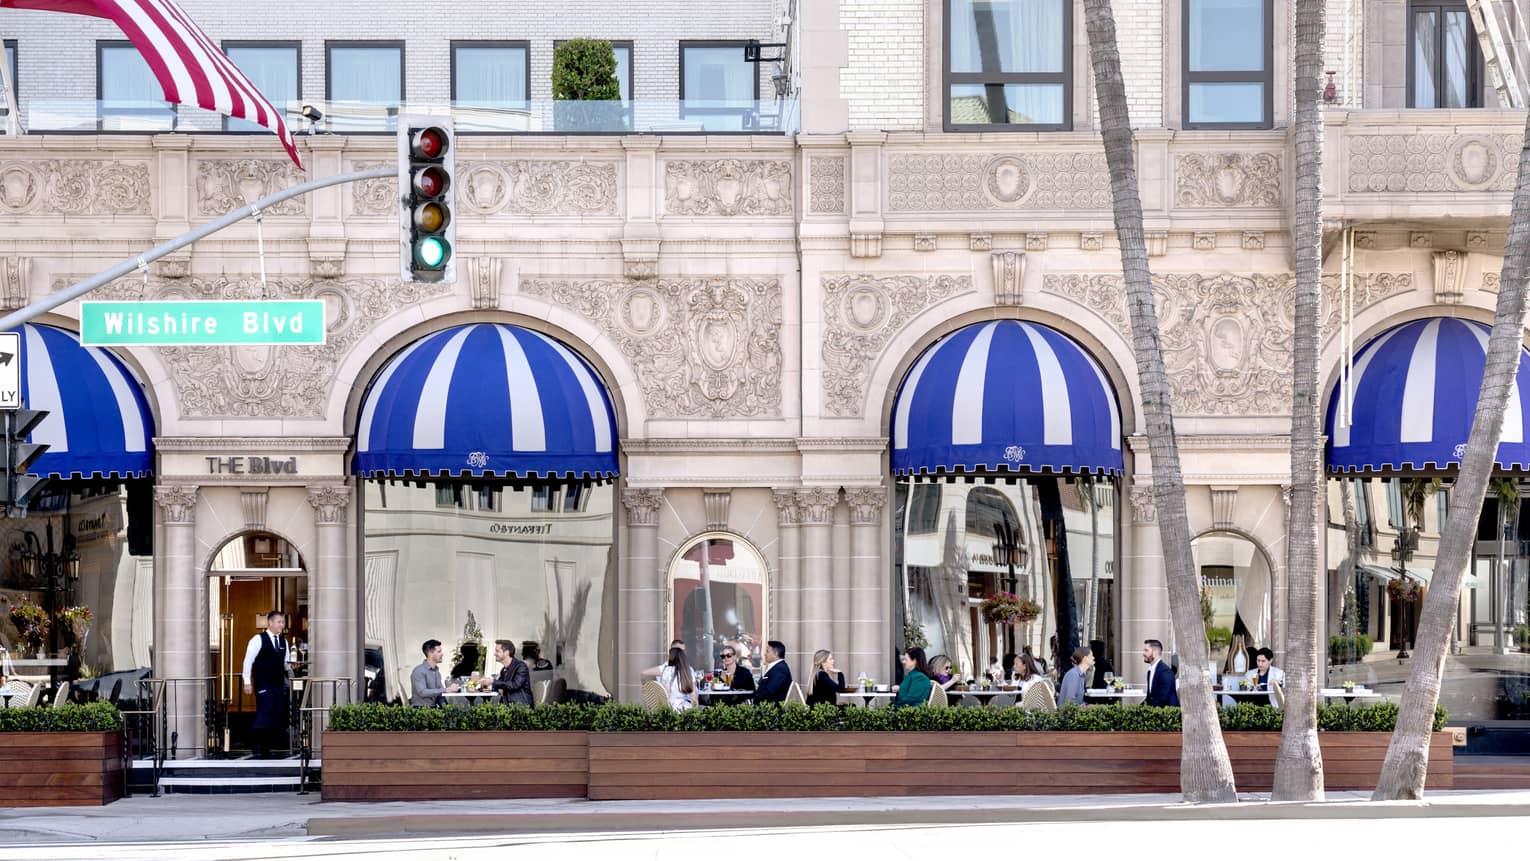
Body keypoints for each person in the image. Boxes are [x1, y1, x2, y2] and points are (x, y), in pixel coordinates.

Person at [241, 610, 297, 758]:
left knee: (276, 713)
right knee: (266, 710)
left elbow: (285, 664)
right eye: (279, 622)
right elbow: (248, 661)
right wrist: (247, 681)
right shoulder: (258, 639)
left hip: (278, 684)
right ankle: (256, 745)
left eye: (283, 622)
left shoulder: (284, 642)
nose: (282, 625)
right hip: (263, 683)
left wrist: (292, 667)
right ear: (270, 622)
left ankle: (266, 747)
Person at [410, 638, 461, 707]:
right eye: (439, 651)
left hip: (433, 708)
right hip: (421, 710)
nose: (442, 654)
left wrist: (448, 709)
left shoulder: (436, 671)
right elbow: (422, 692)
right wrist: (446, 690)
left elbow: (440, 695)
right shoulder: (418, 671)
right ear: (430, 654)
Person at [488, 639, 533, 706]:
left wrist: (493, 681)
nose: (495, 654)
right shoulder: (504, 670)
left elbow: (515, 685)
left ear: (506, 652)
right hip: (507, 706)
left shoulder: (521, 667)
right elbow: (500, 685)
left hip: (521, 708)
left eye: (497, 651)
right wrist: (486, 684)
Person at [657, 646, 697, 710]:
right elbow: (694, 698)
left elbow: (644, 673)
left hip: (666, 709)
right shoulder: (687, 671)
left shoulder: (664, 670)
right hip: (682, 709)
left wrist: (644, 683)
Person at [1142, 639, 1179, 707]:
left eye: (1146, 650)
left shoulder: (1165, 672)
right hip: (1156, 712)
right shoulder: (1150, 671)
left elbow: (1162, 699)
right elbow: (1150, 698)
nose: (1143, 653)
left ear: (1155, 652)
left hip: (1167, 714)